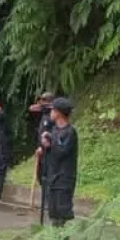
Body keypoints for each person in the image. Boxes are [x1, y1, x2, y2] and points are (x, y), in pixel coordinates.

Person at [42, 97, 79, 227]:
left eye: (52, 110)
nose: (50, 113)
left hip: (64, 179)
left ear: (58, 112)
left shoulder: (69, 132)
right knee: (53, 212)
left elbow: (61, 152)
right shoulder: (54, 130)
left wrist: (50, 144)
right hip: (53, 177)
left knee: (62, 214)